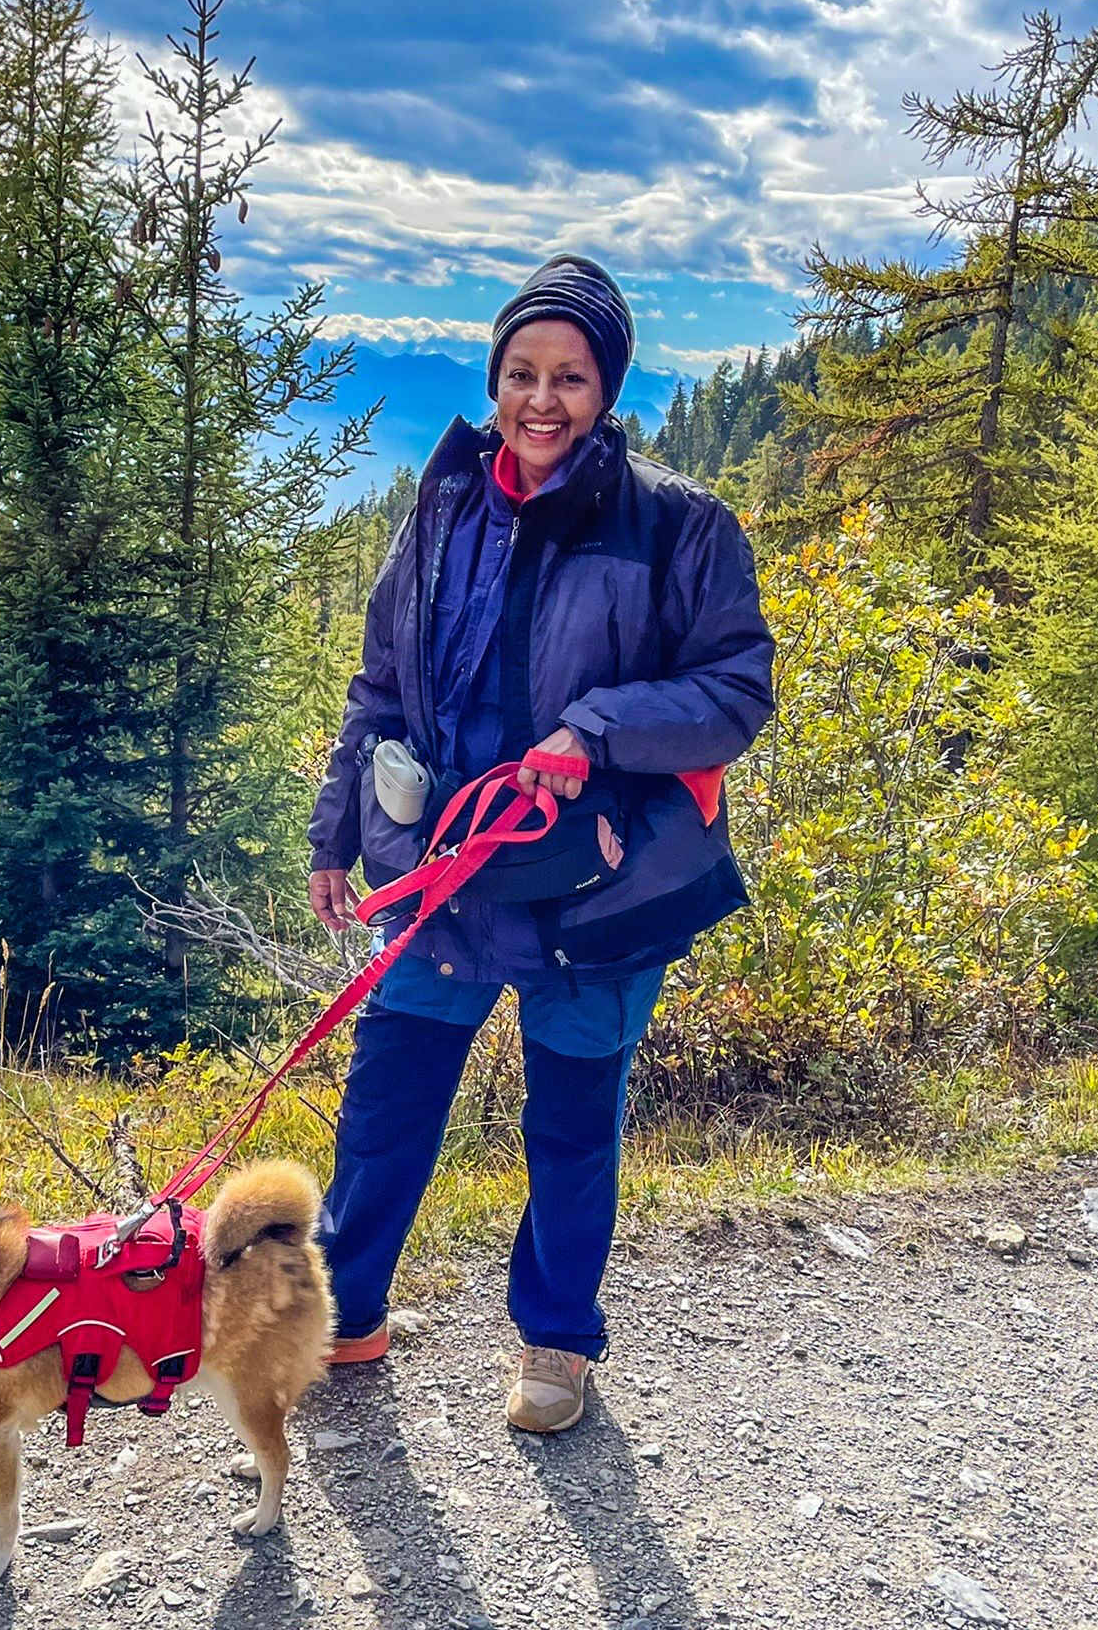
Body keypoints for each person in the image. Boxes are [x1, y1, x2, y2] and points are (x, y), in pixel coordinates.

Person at [307, 253, 773, 1432]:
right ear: (495, 377)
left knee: (569, 1124)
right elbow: (379, 685)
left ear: (606, 386)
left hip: (595, 887)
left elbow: (734, 691)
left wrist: (594, 729)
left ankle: (557, 1339)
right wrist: (334, 830)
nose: (541, 400)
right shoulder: (445, 505)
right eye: (521, 372)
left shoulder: (678, 524)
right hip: (446, 878)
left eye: (569, 375)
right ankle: (343, 1314)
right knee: (385, 1102)